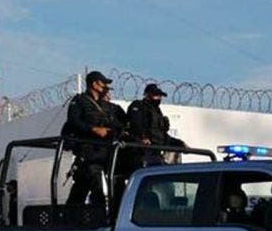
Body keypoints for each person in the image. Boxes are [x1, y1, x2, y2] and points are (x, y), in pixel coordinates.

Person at [62, 70, 124, 206]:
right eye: (103, 84)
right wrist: (93, 129)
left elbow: (119, 123)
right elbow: (74, 121)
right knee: (91, 189)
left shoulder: (105, 106)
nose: (105, 87)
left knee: (115, 187)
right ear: (94, 84)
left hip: (106, 152)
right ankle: (71, 216)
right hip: (88, 152)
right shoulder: (80, 101)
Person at [127, 83, 185, 167]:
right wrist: (143, 137)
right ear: (147, 95)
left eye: (160, 96)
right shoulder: (138, 106)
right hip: (141, 153)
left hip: (155, 153)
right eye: (156, 95)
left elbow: (161, 136)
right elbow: (136, 125)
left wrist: (180, 143)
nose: (159, 98)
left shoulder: (157, 112)